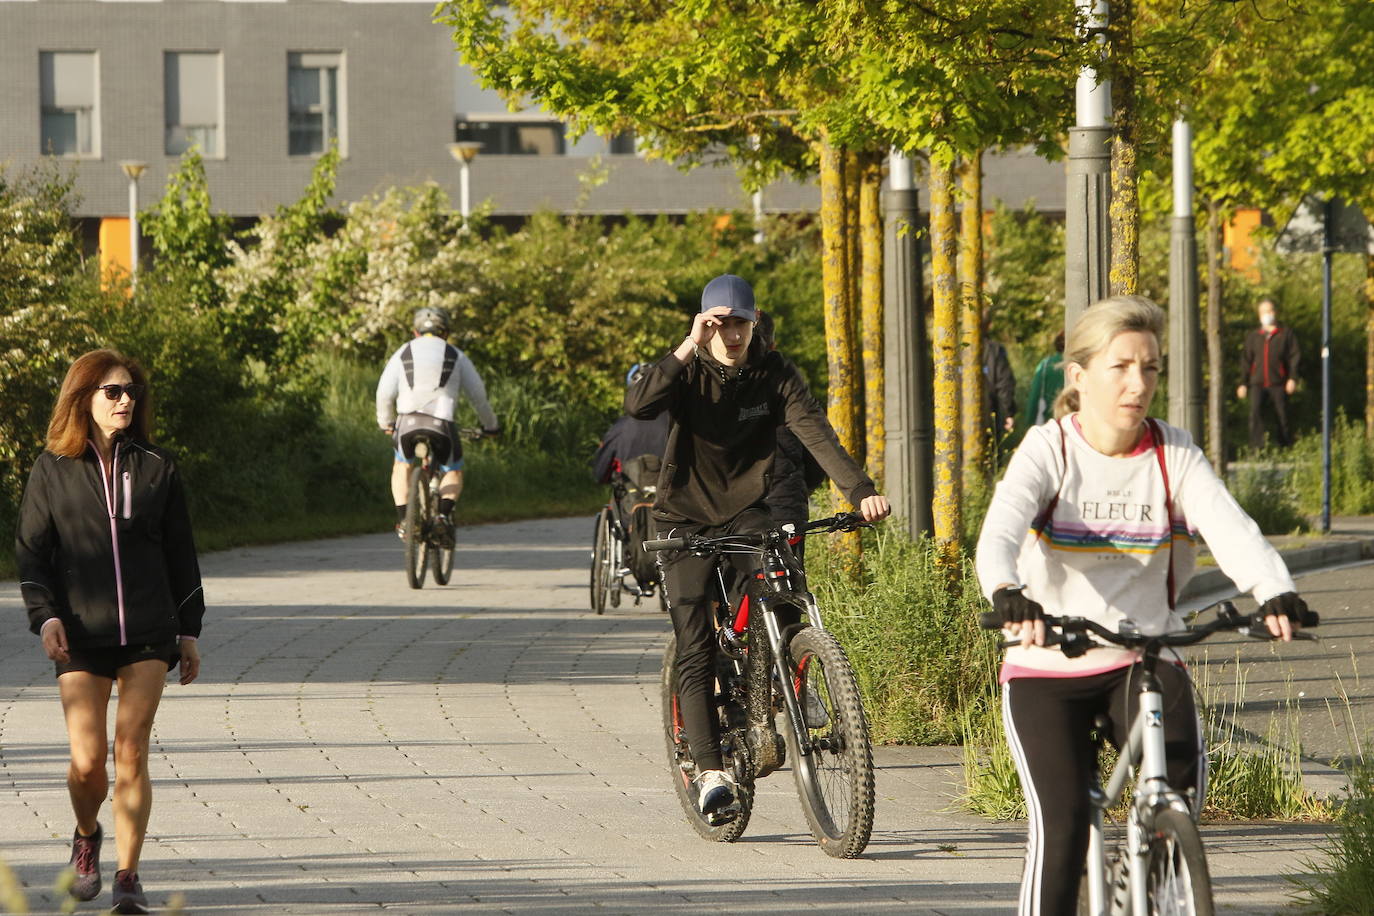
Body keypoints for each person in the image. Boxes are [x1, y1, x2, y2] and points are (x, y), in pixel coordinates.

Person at [975, 295, 1309, 915]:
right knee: (1066, 820)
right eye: (1122, 367)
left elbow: (1230, 526)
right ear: (1078, 376)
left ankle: (1151, 886)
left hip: (1144, 656)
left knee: (1177, 790)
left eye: (1150, 368)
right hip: (1049, 663)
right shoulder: (1050, 449)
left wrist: (1274, 589)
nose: (1139, 383)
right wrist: (1005, 590)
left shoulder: (1172, 452)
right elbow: (998, 532)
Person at [626, 274, 890, 817]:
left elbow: (815, 432)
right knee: (696, 646)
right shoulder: (689, 370)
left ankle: (782, 682)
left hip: (749, 507)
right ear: (705, 323)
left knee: (783, 589)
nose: (731, 333)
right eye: (719, 323)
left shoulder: (774, 373)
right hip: (683, 517)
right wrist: (686, 345)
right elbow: (639, 404)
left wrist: (860, 489)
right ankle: (709, 770)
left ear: (754, 320)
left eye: (739, 322)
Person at [15, 349, 206, 915]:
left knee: (132, 750)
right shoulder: (52, 468)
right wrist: (45, 616)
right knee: (87, 761)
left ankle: (128, 877)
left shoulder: (158, 466)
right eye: (113, 392)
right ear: (84, 399)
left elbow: (181, 553)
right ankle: (85, 834)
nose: (126, 400)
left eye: (132, 392)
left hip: (150, 630)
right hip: (79, 633)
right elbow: (31, 554)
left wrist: (189, 630)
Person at [376, 307, 499, 544]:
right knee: (453, 470)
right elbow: (478, 397)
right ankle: (442, 516)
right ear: (446, 333)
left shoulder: (403, 352)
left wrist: (386, 423)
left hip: (407, 421)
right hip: (442, 423)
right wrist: (491, 426)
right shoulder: (456, 354)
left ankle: (405, 521)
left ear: (415, 331)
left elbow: (384, 393)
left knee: (401, 466)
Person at [1238, 297, 1300, 449]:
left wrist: (1292, 378)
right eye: (1264, 312)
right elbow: (1246, 360)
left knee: (1282, 416)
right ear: (1259, 315)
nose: (1267, 314)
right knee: (1255, 414)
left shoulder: (1285, 334)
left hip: (1278, 382)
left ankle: (1285, 448)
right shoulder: (1254, 336)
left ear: (1275, 312)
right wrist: (1243, 383)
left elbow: (1294, 356)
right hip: (1257, 382)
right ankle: (1256, 449)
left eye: (1270, 311)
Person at [1022, 330, 1065, 428]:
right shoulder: (1081, 364)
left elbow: (1035, 396)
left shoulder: (1045, 365)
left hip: (1049, 423)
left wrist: (1029, 422)